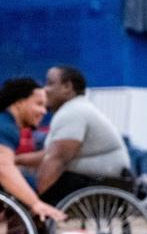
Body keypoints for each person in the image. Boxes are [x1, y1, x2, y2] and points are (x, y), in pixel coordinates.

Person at [19, 66, 132, 205]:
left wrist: (35, 199)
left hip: (97, 182)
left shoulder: (74, 112)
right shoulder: (76, 109)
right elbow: (49, 154)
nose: (45, 90)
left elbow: (56, 160)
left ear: (67, 86)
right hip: (104, 179)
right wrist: (15, 160)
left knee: (21, 186)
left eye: (50, 83)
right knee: (19, 179)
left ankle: (26, 223)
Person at [0, 77, 65, 222]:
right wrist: (35, 203)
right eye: (39, 104)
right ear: (19, 102)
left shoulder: (7, 124)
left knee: (26, 182)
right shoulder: (5, 127)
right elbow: (3, 168)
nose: (43, 111)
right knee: (26, 185)